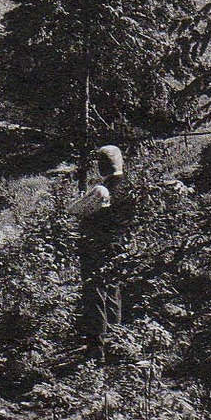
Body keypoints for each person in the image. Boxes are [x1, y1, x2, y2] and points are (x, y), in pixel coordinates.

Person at [68, 144, 128, 359]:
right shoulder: (130, 187)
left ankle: (97, 350)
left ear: (102, 166)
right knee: (113, 293)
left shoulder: (102, 190)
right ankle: (117, 344)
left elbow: (73, 210)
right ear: (121, 162)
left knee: (95, 297)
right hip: (119, 248)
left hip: (96, 250)